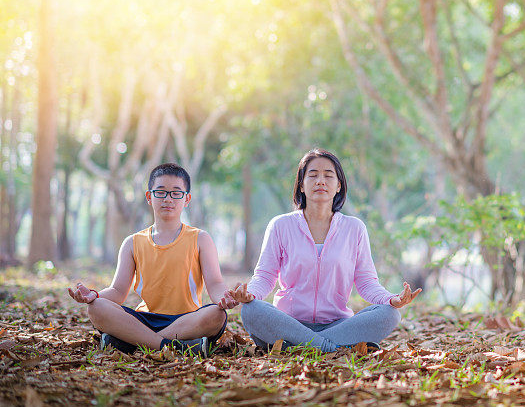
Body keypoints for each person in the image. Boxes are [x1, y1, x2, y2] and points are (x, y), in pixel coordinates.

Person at [229, 148, 421, 352]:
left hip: (337, 325)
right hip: (288, 323)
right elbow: (265, 276)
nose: (320, 181)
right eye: (312, 175)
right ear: (301, 185)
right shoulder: (280, 226)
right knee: (251, 311)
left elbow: (366, 282)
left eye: (328, 176)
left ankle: (302, 346)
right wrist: (249, 294)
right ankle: (330, 348)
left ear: (338, 186)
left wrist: (391, 299)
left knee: (390, 314)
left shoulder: (354, 228)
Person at [67, 163, 238, 357]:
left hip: (186, 320)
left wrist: (224, 299)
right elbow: (117, 291)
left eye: (176, 193)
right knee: (97, 308)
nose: (168, 199)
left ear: (187, 199)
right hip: (143, 319)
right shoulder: (132, 242)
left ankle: (131, 343)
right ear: (149, 197)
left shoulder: (200, 239)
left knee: (216, 315)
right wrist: (93, 296)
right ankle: (174, 346)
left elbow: (215, 283)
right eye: (161, 192)